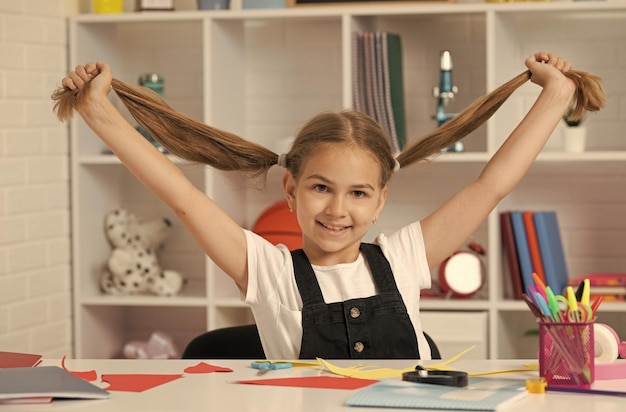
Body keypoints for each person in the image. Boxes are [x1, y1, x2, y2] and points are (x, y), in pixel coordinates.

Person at [55, 52, 604, 360]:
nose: (338, 209)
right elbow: (180, 192)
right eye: (320, 187)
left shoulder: (404, 258)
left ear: (380, 202)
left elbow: (492, 184)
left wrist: (554, 96)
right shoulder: (268, 271)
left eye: (359, 193)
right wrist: (98, 112)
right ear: (290, 191)